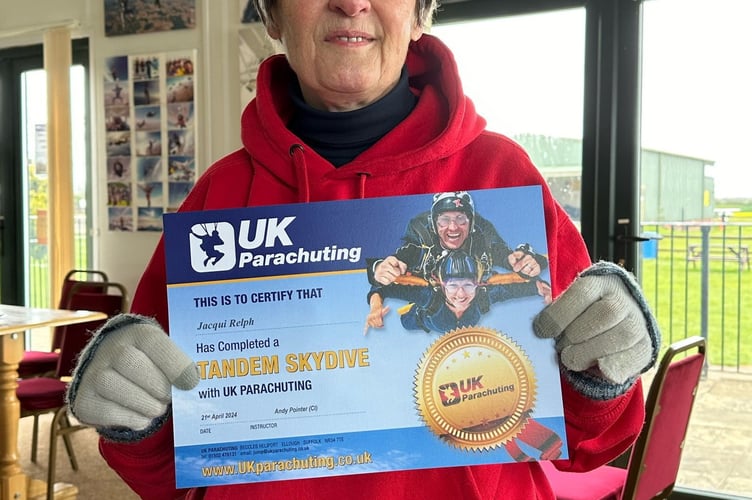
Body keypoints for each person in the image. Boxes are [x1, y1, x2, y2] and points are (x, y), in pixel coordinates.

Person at [67, 1, 660, 499]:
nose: (351, 1)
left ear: (421, 13)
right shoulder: (218, 198)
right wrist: (131, 411)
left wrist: (601, 373)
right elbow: (167, 467)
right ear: (271, 15)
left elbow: (589, 443)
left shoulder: (502, 177)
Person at [369, 190, 548, 287]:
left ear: (471, 223)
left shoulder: (483, 236)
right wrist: (378, 269)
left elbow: (508, 256)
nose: (453, 227)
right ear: (433, 224)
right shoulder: (421, 240)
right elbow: (400, 258)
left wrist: (534, 262)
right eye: (444, 220)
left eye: (460, 219)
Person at [366, 249, 551, 333]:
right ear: (441, 284)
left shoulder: (484, 296)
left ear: (478, 284)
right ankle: (412, 308)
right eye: (453, 286)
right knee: (406, 322)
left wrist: (541, 288)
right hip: (418, 320)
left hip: (446, 323)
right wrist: (375, 308)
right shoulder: (428, 296)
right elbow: (382, 288)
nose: (461, 295)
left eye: (468, 285)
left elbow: (513, 291)